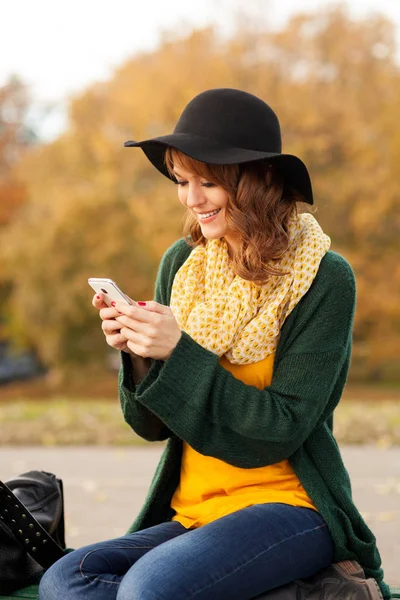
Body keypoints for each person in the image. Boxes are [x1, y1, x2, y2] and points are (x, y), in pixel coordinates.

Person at [38, 88, 390, 600]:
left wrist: (177, 353)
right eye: (182, 181)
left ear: (263, 179)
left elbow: (277, 431)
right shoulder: (182, 267)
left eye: (209, 182)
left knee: (147, 591)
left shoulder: (324, 278)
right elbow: (149, 426)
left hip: (292, 507)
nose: (191, 198)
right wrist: (138, 353)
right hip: (195, 511)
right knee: (68, 580)